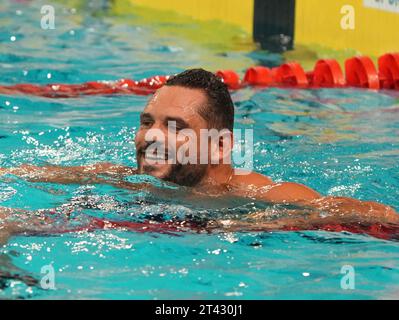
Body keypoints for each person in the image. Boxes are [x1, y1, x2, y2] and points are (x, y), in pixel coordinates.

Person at [0, 69, 398, 239]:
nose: (151, 137)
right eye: (146, 121)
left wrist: (263, 224)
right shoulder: (119, 179)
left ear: (222, 145)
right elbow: (20, 172)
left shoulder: (264, 195)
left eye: (175, 127)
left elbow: (380, 217)